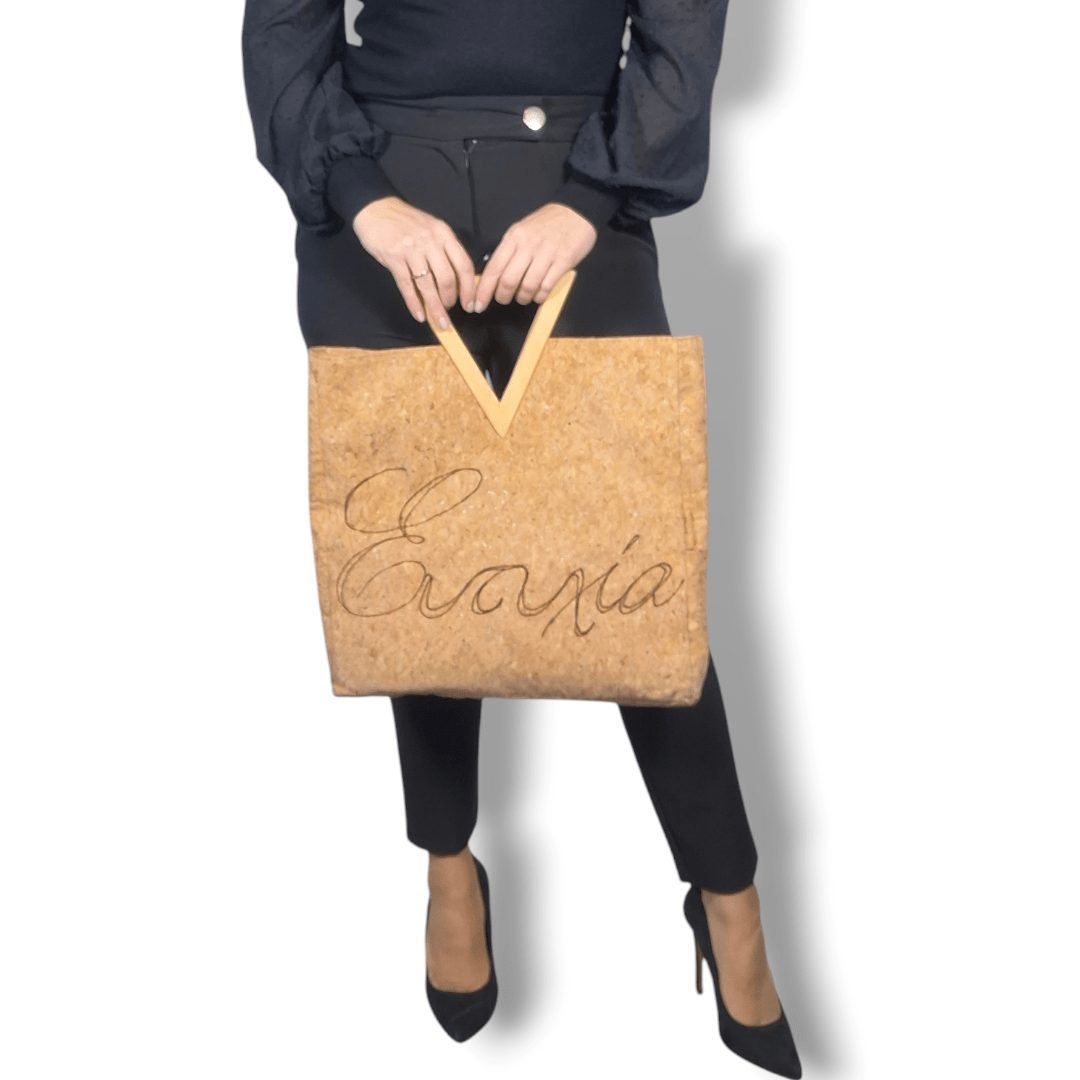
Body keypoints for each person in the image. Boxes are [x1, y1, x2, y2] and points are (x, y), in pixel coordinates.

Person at [241, 3, 802, 1075]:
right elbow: (283, 22)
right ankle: (447, 863)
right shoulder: (370, 200)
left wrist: (589, 202)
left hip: (579, 184)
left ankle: (728, 895)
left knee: (631, 570)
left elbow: (684, 26)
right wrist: (364, 200)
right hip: (381, 192)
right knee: (421, 564)